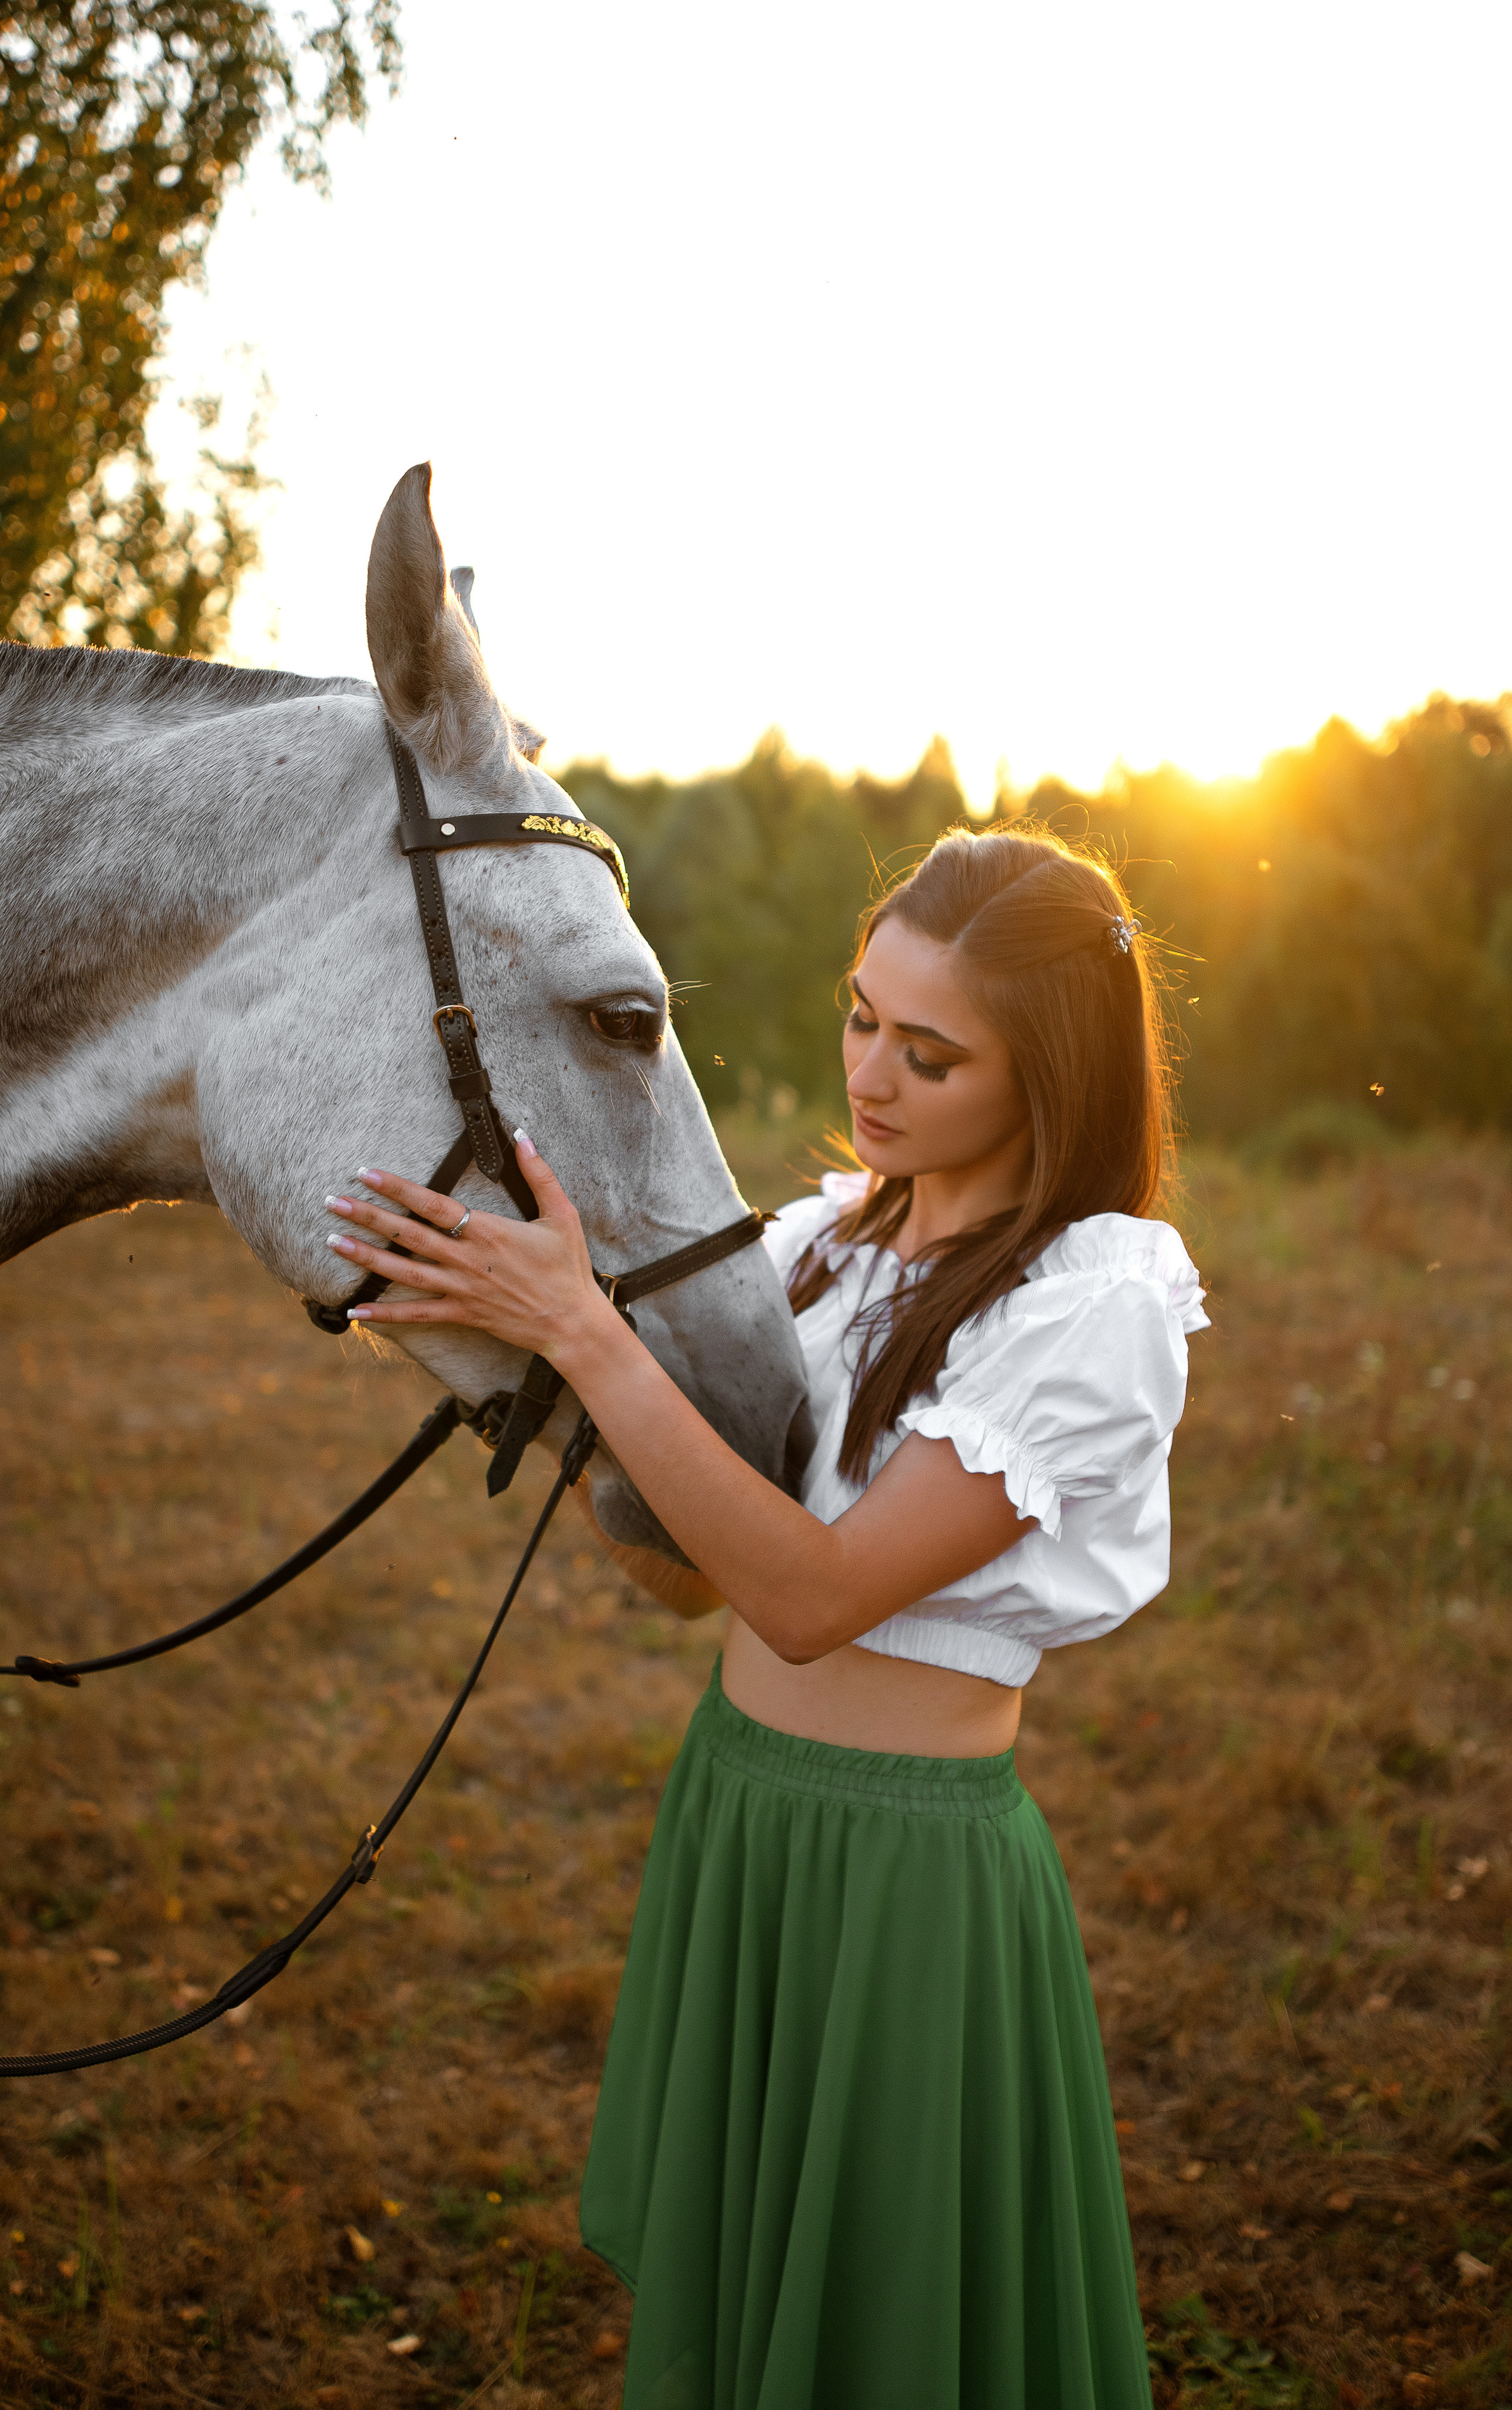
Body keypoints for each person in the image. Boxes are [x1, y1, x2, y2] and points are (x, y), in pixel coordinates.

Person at [323, 821, 1209, 2409]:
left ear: (1048, 1079)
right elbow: (687, 1583)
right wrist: (500, 1340)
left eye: (929, 1054)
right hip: (741, 1806)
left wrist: (588, 1339)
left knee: (880, 2320)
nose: (869, 1073)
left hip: (903, 1866)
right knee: (752, 2299)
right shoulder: (811, 1252)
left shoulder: (1097, 1302)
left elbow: (814, 1599)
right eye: (861, 1014)